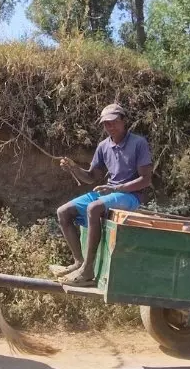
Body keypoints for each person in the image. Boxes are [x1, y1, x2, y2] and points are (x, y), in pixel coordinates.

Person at [51, 104, 153, 286]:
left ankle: (88, 270)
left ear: (123, 121)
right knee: (63, 212)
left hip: (131, 196)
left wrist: (116, 189)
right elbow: (91, 177)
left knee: (94, 207)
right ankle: (79, 262)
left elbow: (145, 180)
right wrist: (74, 168)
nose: (110, 127)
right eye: (106, 124)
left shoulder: (138, 143)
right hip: (110, 192)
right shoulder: (104, 146)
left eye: (113, 122)